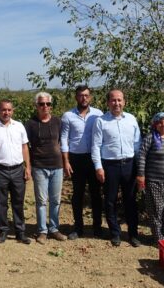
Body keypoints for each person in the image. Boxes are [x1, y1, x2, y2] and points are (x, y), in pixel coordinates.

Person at [91, 89, 142, 247]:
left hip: (129, 164)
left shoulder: (131, 119)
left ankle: (133, 234)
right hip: (110, 165)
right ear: (108, 102)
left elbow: (137, 144)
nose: (116, 103)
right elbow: (96, 146)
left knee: (130, 200)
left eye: (119, 100)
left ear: (124, 102)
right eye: (113, 100)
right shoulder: (101, 121)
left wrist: (139, 168)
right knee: (110, 201)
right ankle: (115, 233)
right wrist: (98, 167)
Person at [0, 99, 32, 245]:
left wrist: (28, 167)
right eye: (4, 110)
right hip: (0, 170)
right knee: (1, 202)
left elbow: (24, 147)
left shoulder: (19, 126)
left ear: (13, 111)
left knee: (18, 201)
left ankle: (20, 232)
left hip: (18, 169)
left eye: (9, 110)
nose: (6, 112)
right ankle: (3, 230)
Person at [60, 85, 104, 240]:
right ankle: (78, 228)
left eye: (86, 95)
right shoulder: (68, 116)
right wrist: (66, 161)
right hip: (76, 159)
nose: (83, 98)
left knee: (95, 193)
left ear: (90, 97)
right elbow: (64, 139)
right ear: (76, 97)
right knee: (77, 194)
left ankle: (97, 227)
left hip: (94, 158)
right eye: (80, 95)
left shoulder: (98, 114)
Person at [26, 91, 67, 244]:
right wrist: (28, 166)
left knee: (55, 200)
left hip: (57, 166)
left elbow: (62, 142)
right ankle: (42, 231)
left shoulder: (57, 121)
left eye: (48, 103)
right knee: (41, 201)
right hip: (39, 166)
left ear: (51, 106)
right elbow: (26, 146)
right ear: (36, 105)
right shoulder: (30, 124)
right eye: (41, 104)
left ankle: (54, 229)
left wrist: (66, 162)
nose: (45, 106)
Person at [136, 112, 164, 242]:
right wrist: (141, 175)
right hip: (154, 180)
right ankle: (158, 238)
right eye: (160, 122)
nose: (163, 124)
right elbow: (142, 156)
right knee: (156, 210)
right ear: (155, 124)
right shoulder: (150, 138)